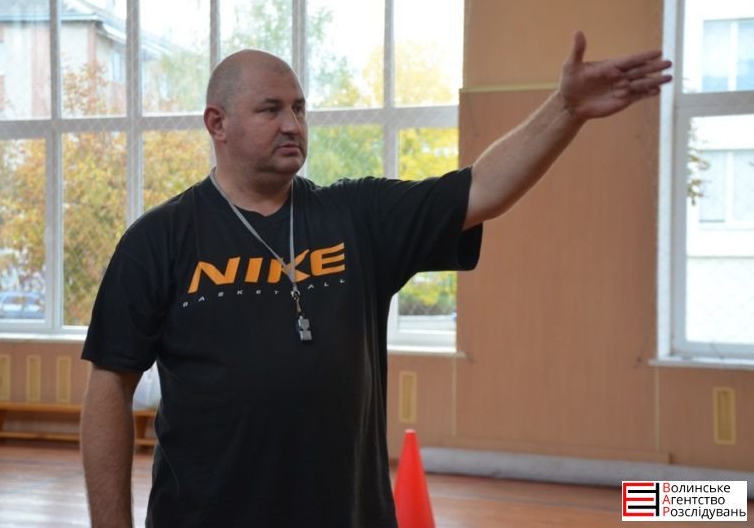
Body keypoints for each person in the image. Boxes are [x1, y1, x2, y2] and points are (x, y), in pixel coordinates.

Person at [80, 31, 672, 527]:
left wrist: (566, 109)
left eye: (299, 108)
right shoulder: (159, 239)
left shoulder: (356, 216)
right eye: (271, 109)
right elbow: (109, 388)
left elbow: (483, 188)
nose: (292, 123)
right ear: (218, 123)